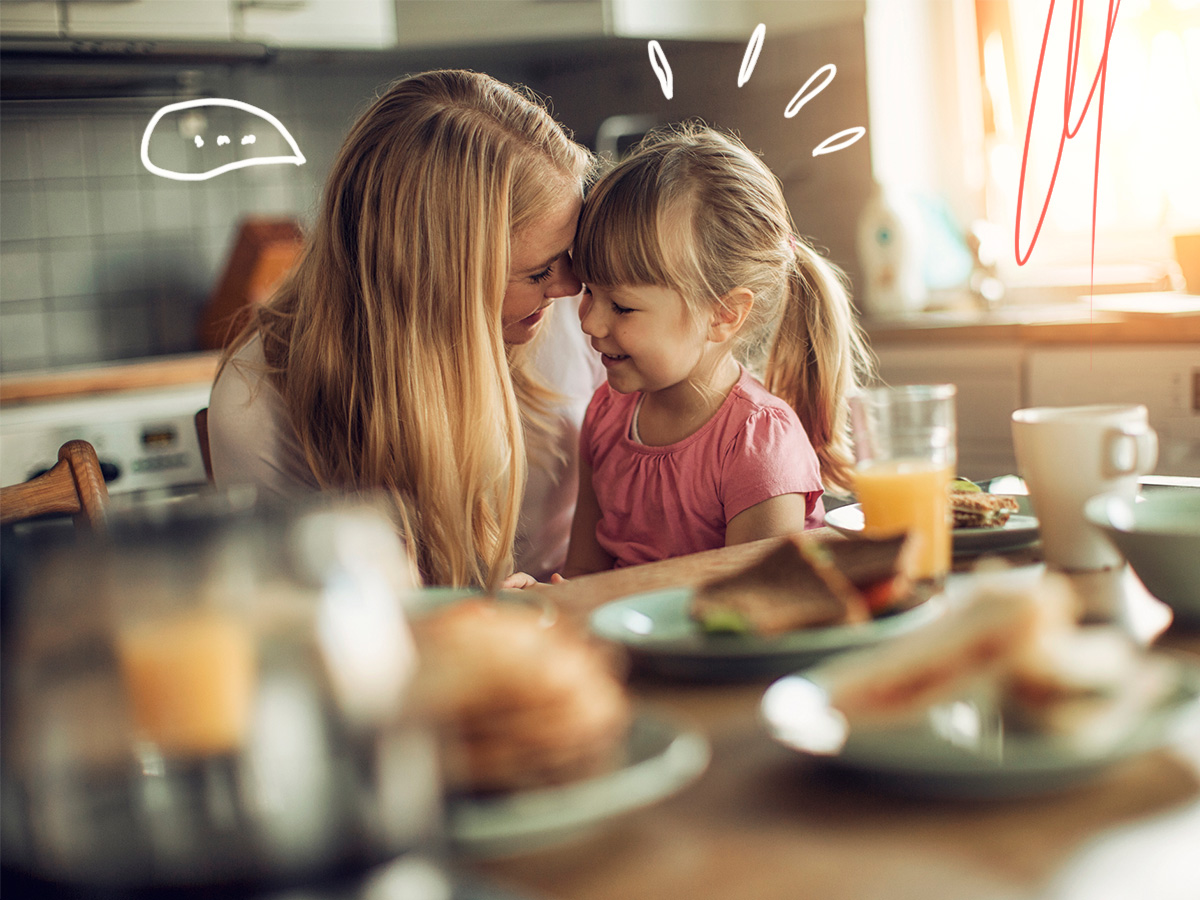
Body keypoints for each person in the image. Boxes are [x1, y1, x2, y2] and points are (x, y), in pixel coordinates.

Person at [208, 69, 603, 589]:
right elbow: (307, 624)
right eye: (537, 272)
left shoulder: (575, 314)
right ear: (434, 278)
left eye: (569, 255)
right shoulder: (258, 401)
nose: (573, 286)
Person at [562, 123, 873, 575]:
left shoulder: (758, 445)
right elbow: (581, 579)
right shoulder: (606, 414)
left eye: (623, 307)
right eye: (588, 291)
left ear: (724, 314)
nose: (589, 320)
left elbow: (746, 618)